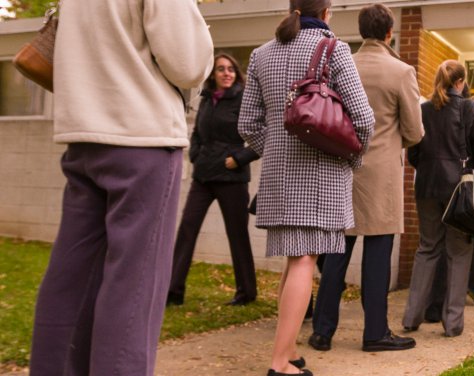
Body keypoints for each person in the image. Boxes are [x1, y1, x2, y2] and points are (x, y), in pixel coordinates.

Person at [28, 1, 213, 375]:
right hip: (141, 134)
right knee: (134, 288)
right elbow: (187, 62)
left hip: (83, 133)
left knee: (72, 278)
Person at [238, 0, 375, 374]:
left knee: (293, 259)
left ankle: (290, 347)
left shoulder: (260, 53)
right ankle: (280, 363)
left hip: (279, 176)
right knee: (303, 260)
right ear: (327, 12)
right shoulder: (334, 49)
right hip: (321, 173)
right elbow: (363, 118)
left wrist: (279, 152)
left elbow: (248, 124)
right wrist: (350, 159)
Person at [308, 3, 423, 353]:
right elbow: (416, 131)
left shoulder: (340, 65)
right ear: (390, 32)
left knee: (336, 254)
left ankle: (322, 331)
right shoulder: (401, 71)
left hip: (342, 168)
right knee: (377, 256)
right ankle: (375, 332)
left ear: (361, 30)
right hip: (382, 175)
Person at [401, 60, 474, 337]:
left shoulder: (424, 110)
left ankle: (411, 317)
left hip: (428, 187)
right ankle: (452, 323)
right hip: (459, 189)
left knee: (427, 248)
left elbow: (414, 153)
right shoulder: (471, 109)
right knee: (459, 253)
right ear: (460, 82)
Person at [167, 53, 260, 307]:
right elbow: (197, 132)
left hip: (232, 177)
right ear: (213, 75)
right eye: (221, 69)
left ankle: (246, 292)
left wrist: (239, 158)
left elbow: (263, 134)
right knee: (187, 229)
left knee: (237, 234)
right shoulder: (207, 99)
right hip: (204, 175)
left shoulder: (244, 98)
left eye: (231, 69)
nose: (227, 73)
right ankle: (173, 291)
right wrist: (196, 154)